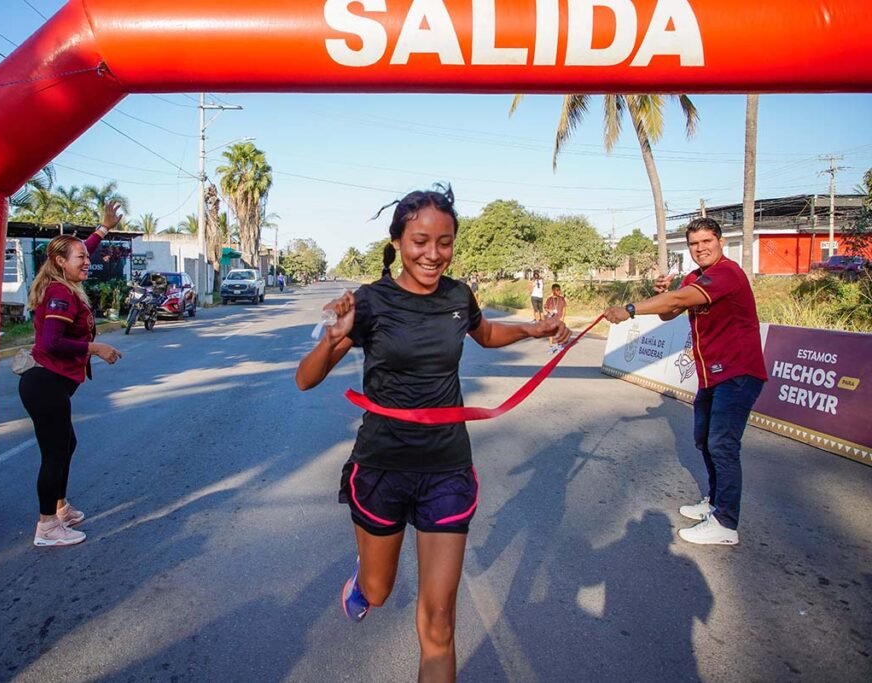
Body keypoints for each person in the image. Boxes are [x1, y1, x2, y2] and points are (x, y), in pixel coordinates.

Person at [295, 185, 570, 682]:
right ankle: (363, 580)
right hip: (382, 467)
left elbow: (485, 334)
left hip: (446, 469)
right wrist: (334, 339)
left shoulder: (458, 296)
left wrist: (534, 330)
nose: (433, 254)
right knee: (379, 592)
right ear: (398, 241)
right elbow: (305, 378)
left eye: (445, 242)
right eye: (421, 240)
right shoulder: (369, 303)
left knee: (440, 623)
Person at [602, 217, 767, 546]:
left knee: (723, 444)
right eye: (694, 244)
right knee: (704, 440)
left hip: (738, 373)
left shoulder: (726, 274)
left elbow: (676, 302)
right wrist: (661, 294)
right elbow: (670, 312)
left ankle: (725, 523)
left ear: (720, 241)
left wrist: (631, 309)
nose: (700, 248)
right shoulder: (696, 277)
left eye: (707, 241)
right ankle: (715, 501)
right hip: (711, 374)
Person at [19, 201, 124, 547]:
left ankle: (60, 509)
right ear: (61, 263)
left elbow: (81, 251)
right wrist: (97, 348)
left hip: (51, 384)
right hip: (45, 383)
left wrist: (104, 228)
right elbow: (52, 341)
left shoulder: (63, 276)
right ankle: (47, 527)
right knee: (55, 453)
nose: (87, 262)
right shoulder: (61, 293)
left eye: (85, 257)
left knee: (66, 444)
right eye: (80, 259)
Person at [544, 283, 567, 349]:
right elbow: (545, 307)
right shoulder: (549, 299)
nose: (559, 291)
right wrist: (549, 310)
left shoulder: (562, 299)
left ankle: (558, 344)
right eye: (557, 290)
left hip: (559, 317)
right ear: (553, 291)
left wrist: (563, 317)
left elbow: (564, 308)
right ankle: (551, 346)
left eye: (559, 290)